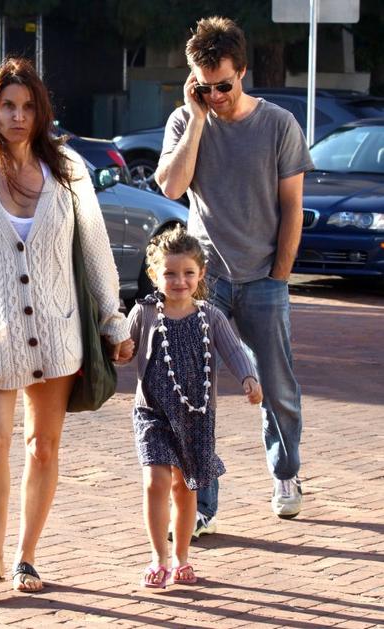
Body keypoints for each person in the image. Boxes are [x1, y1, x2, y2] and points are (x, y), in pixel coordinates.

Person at [0, 57, 133, 596]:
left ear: (41, 112)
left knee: (42, 447)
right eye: (8, 106)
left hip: (56, 336)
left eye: (28, 106)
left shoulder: (68, 170)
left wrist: (114, 324)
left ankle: (26, 558)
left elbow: (95, 252)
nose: (18, 116)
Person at [155, 16, 314, 532]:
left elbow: (292, 206)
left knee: (277, 386)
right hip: (205, 282)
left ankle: (285, 474)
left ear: (242, 71)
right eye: (205, 87)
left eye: (224, 85)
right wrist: (196, 118)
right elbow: (172, 188)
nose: (216, 96)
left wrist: (280, 274)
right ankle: (201, 506)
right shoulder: (186, 122)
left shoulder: (279, 125)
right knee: (194, 392)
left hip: (264, 278)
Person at [127, 225, 262, 588]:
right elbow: (124, 349)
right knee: (155, 481)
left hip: (196, 416)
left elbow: (234, 350)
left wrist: (248, 377)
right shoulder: (145, 313)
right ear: (154, 275)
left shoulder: (210, 316)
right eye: (170, 273)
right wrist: (118, 350)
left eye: (188, 273)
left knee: (185, 488)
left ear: (201, 274)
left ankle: (181, 558)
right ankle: (158, 557)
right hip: (152, 412)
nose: (179, 281)